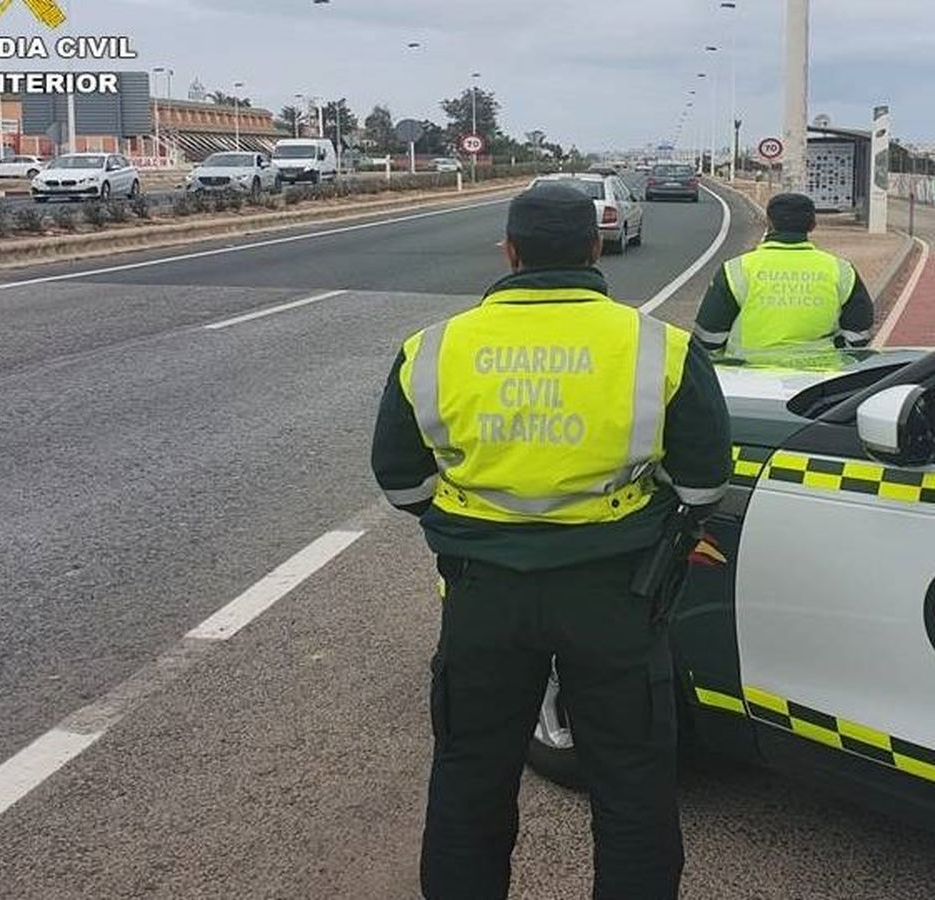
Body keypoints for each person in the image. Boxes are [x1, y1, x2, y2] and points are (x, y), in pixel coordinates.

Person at [371, 183, 733, 900]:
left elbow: (401, 483)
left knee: (470, 779)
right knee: (632, 788)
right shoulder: (658, 346)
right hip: (616, 597)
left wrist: (479, 519)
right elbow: (702, 485)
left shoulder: (434, 348)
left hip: (482, 594)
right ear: (596, 247)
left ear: (509, 253)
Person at [692, 192, 876, 362]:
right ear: (813, 225)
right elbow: (859, 336)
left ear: (769, 223)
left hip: (748, 376)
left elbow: (708, 338)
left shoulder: (735, 270)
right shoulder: (841, 270)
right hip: (819, 380)